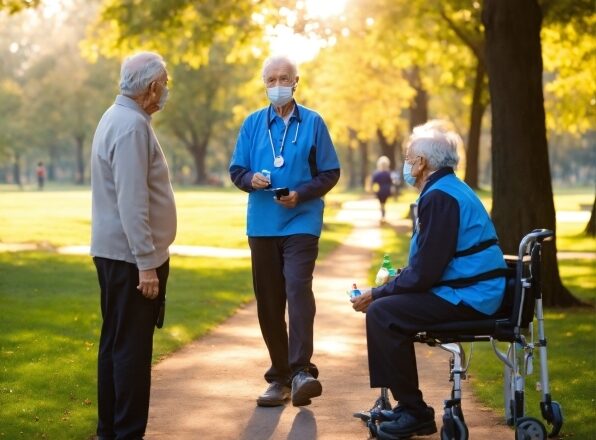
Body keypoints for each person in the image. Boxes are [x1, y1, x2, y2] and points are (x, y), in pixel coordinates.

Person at [351, 120, 506, 440]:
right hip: (467, 288)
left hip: (470, 295)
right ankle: (407, 407)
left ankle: (415, 412)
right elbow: (430, 263)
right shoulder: (447, 189)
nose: (405, 164)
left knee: (384, 312)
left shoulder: (439, 196)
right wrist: (389, 286)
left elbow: (425, 273)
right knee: (386, 307)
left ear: (421, 163)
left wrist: (378, 294)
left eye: (408, 158)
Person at [229, 55, 340, 408]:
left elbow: (330, 173)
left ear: (296, 82)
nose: (277, 85)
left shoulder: (314, 123)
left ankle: (301, 370)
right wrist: (251, 179)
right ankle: (280, 377)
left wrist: (301, 194)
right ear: (264, 83)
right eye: (271, 79)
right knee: (269, 301)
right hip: (262, 224)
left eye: (283, 78)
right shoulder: (251, 124)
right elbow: (236, 170)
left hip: (301, 222)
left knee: (296, 286)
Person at [90, 51, 176, 440]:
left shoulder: (118, 117)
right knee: (131, 353)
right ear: (152, 87)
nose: (166, 91)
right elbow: (131, 200)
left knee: (114, 345)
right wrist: (146, 263)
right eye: (165, 83)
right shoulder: (130, 126)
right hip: (130, 259)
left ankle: (109, 431)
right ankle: (125, 433)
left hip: (115, 254)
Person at [371, 155, 393, 223]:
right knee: (384, 204)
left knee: (381, 204)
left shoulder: (377, 173)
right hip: (386, 190)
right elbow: (391, 182)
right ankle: (383, 216)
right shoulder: (389, 173)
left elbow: (373, 182)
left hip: (380, 191)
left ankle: (382, 216)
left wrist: (373, 190)